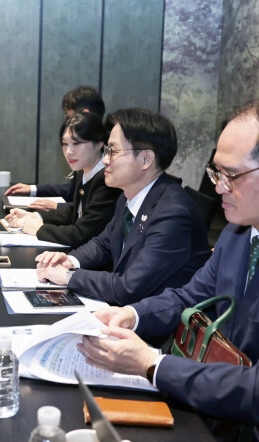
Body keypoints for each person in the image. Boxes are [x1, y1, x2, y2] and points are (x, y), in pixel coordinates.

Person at [77, 101, 259, 440]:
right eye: (216, 173)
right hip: (213, 405)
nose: (218, 187)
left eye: (231, 176)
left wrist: (153, 363)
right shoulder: (236, 236)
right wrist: (131, 315)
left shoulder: (186, 213)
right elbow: (189, 296)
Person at [35, 109, 211, 305]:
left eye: (113, 151)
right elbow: (104, 244)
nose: (105, 159)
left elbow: (129, 287)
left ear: (146, 159)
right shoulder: (129, 196)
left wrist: (69, 277)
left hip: (157, 319)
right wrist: (70, 260)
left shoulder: (173, 214)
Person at [5, 113, 121, 247]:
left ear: (99, 144)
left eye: (76, 143)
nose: (69, 151)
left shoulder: (107, 179)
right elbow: (74, 212)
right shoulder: (83, 170)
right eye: (65, 144)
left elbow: (82, 234)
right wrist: (35, 216)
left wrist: (39, 229)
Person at [5, 86, 106, 210]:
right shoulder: (85, 162)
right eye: (65, 144)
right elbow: (73, 193)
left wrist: (55, 208)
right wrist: (33, 189)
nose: (69, 151)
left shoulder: (105, 171)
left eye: (69, 118)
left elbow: (86, 213)